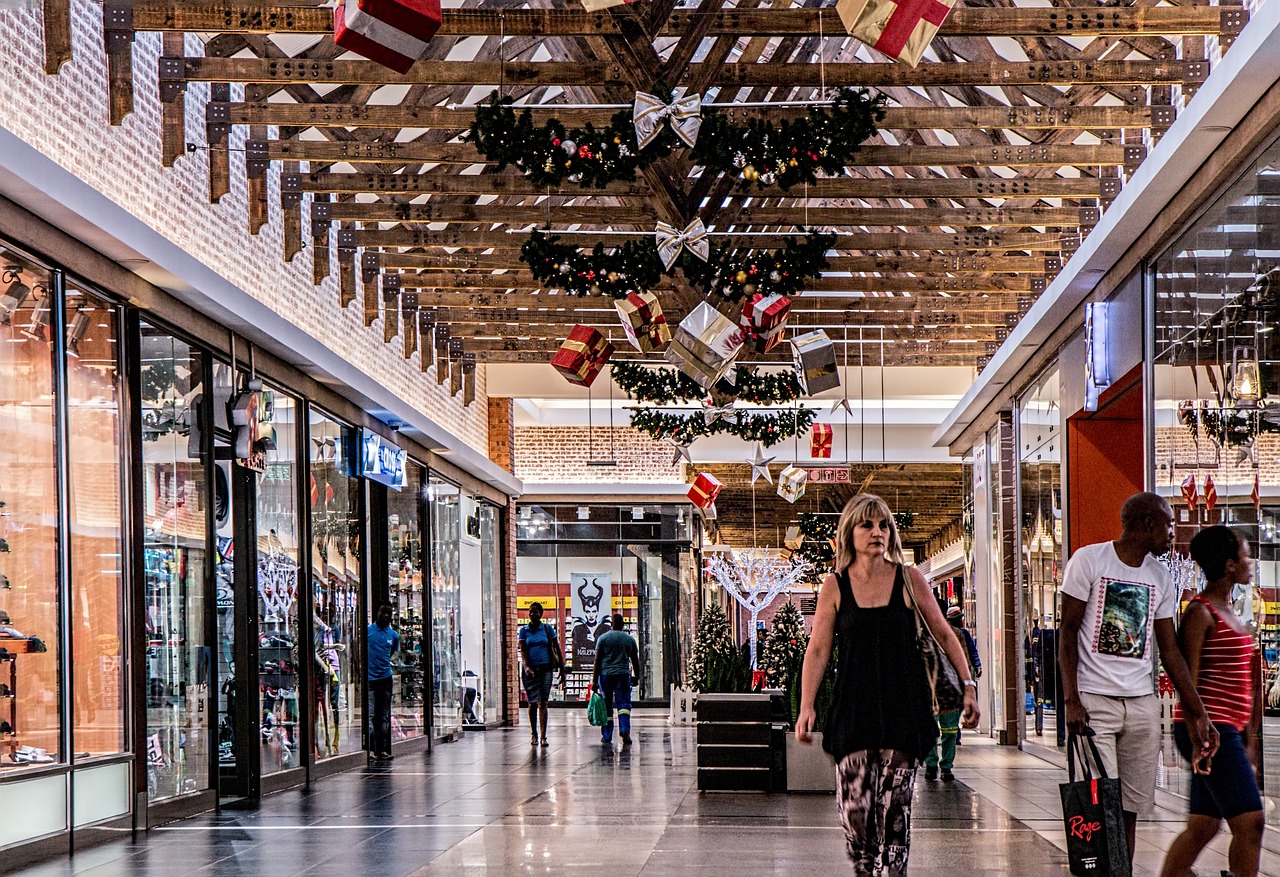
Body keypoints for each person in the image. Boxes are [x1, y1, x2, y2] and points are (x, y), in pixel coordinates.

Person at [797, 494, 980, 875]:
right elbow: (818, 650)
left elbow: (944, 634)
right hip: (853, 712)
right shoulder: (835, 586)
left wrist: (968, 685)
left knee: (895, 813)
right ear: (850, 533)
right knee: (856, 816)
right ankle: (865, 868)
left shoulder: (909, 580)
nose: (877, 532)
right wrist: (806, 706)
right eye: (867, 525)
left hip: (902, 710)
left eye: (883, 525)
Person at [1059, 492, 1219, 868]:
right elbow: (1067, 632)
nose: (1171, 534)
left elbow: (1170, 650)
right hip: (1094, 702)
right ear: (1148, 524)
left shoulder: (1159, 577)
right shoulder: (1089, 560)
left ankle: (1122, 871)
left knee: (1129, 809)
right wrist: (1071, 700)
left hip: (1141, 704)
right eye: (1168, 525)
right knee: (1101, 804)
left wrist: (1198, 712)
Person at [1160, 526, 1264, 877]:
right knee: (1250, 821)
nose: (1250, 563)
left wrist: (1249, 735)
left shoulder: (1230, 610)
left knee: (1203, 826)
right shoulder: (1200, 612)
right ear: (1230, 564)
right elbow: (1186, 681)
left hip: (1228, 729)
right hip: (1210, 731)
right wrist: (1198, 735)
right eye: (1246, 555)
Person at [925, 605, 981, 781]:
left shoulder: (926, 632)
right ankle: (945, 767)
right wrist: (967, 685)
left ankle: (932, 765)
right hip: (950, 687)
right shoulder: (956, 634)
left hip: (932, 688)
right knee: (949, 730)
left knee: (933, 728)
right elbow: (967, 659)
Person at [591, 613, 642, 749]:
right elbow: (635, 661)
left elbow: (597, 661)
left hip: (606, 675)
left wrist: (594, 680)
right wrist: (637, 677)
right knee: (624, 704)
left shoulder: (603, 639)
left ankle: (607, 735)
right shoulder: (629, 639)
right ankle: (624, 730)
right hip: (623, 675)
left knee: (606, 705)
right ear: (623, 625)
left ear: (611, 624)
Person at [519, 602, 563, 747]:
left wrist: (562, 668)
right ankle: (534, 734)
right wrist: (526, 666)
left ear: (541, 614)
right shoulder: (524, 631)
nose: (532, 614)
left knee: (543, 702)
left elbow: (557, 647)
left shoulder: (547, 628)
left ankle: (543, 736)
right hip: (530, 671)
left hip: (545, 669)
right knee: (532, 703)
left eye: (535, 612)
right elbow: (523, 651)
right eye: (530, 612)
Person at [366, 605, 399, 762]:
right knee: (371, 715)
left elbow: (392, 652)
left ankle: (382, 750)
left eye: (388, 614)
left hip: (385, 679)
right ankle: (371, 749)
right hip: (370, 679)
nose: (386, 616)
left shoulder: (393, 635)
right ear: (377, 614)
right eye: (383, 613)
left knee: (384, 716)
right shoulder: (368, 631)